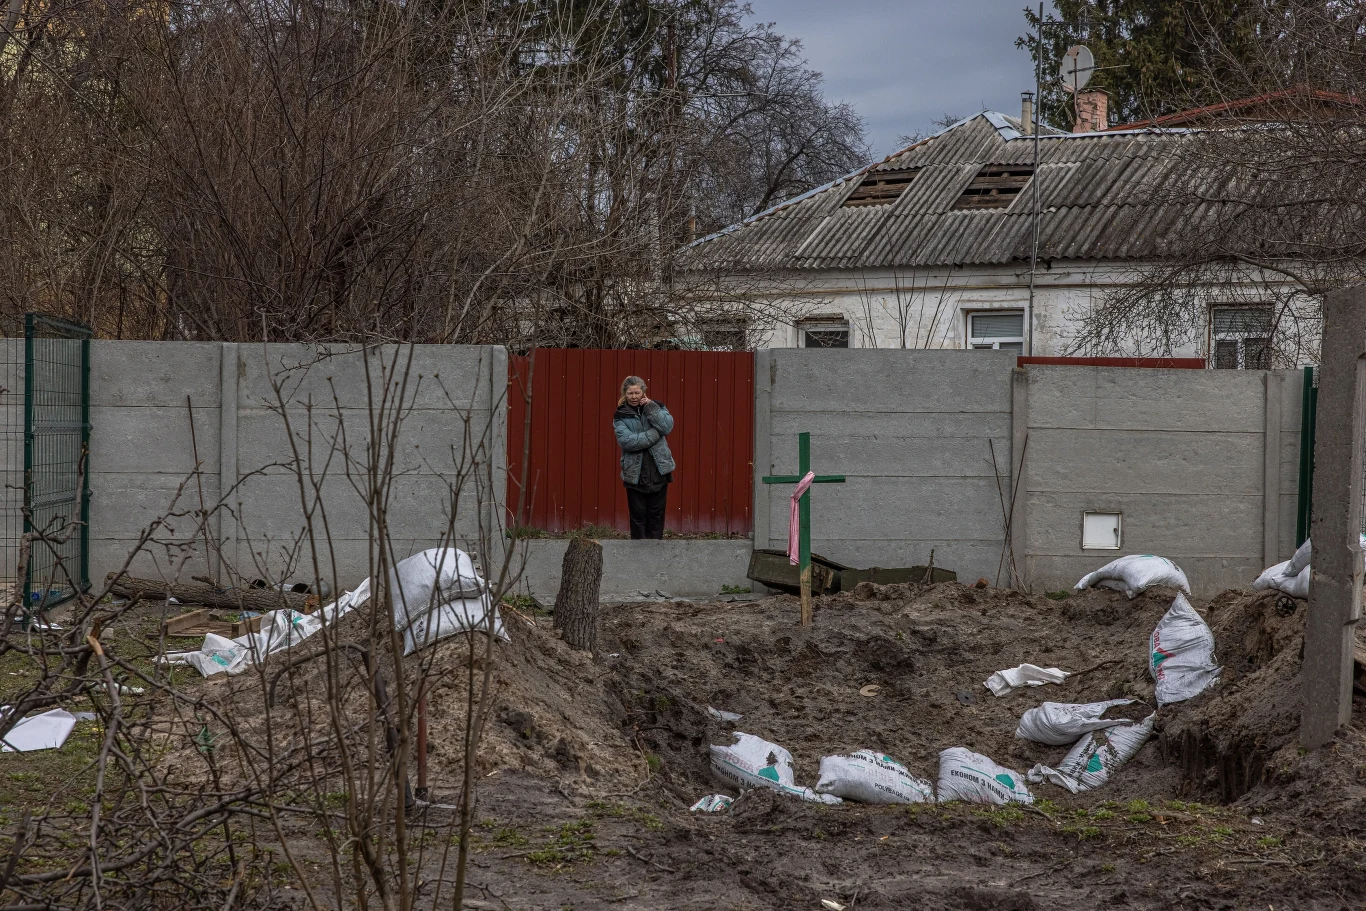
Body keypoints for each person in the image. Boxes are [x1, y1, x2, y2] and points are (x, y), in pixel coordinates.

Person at [612, 375, 675, 539]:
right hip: (635, 473)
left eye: (637, 393)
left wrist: (651, 408)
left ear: (643, 392)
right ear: (625, 394)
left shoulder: (657, 407)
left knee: (657, 515)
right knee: (638, 517)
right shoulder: (620, 415)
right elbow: (627, 442)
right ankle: (637, 557)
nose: (633, 397)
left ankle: (655, 554)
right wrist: (654, 434)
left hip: (659, 470)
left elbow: (666, 427)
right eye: (630, 393)